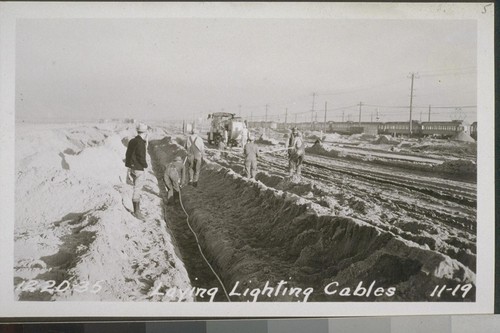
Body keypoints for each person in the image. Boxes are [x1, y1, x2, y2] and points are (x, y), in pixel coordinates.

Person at [125, 123, 148, 219]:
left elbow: (128, 154)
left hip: (132, 168)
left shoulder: (132, 141)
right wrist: (145, 165)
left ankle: (137, 210)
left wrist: (129, 166)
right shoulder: (141, 143)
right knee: (137, 189)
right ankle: (136, 212)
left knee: (135, 188)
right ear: (145, 132)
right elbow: (141, 157)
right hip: (139, 169)